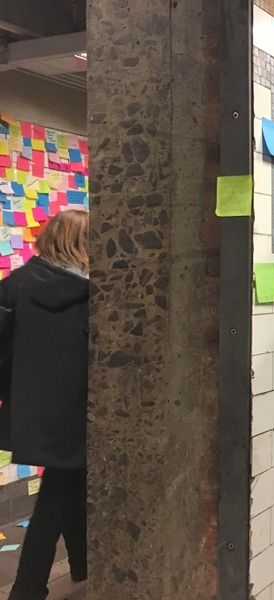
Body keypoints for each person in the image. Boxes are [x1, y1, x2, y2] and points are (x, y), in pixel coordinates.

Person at [0, 210, 89, 600]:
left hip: (34, 411)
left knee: (68, 483)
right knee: (58, 494)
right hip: (80, 409)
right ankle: (27, 588)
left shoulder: (13, 286)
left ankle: (83, 564)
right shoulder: (95, 293)